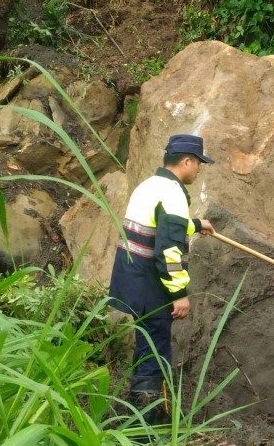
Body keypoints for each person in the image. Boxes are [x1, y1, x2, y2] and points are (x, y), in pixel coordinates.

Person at [108, 134, 215, 423]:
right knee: (156, 351)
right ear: (187, 161)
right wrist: (179, 294)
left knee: (146, 345)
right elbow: (168, 249)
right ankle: (146, 427)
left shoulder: (150, 185)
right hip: (151, 283)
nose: (198, 170)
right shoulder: (173, 193)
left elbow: (159, 227)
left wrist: (194, 224)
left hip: (132, 277)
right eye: (198, 164)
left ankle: (134, 413)